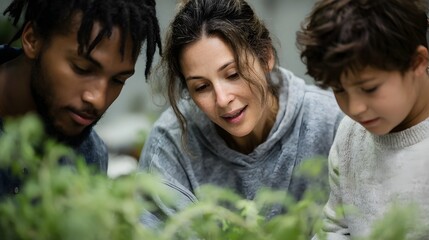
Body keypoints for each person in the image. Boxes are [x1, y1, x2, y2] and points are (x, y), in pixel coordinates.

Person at [138, 0, 343, 225]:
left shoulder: (331, 122)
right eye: (201, 87)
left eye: (233, 74)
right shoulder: (170, 146)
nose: (223, 99)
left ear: (265, 58)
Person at [0, 0, 161, 197]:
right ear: (32, 39)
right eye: (82, 69)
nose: (98, 100)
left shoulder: (90, 157)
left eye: (118, 80)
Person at [296, 0, 429, 239]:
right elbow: (335, 227)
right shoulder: (350, 134)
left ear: (417, 62)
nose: (355, 109)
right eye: (339, 90)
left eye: (369, 88)